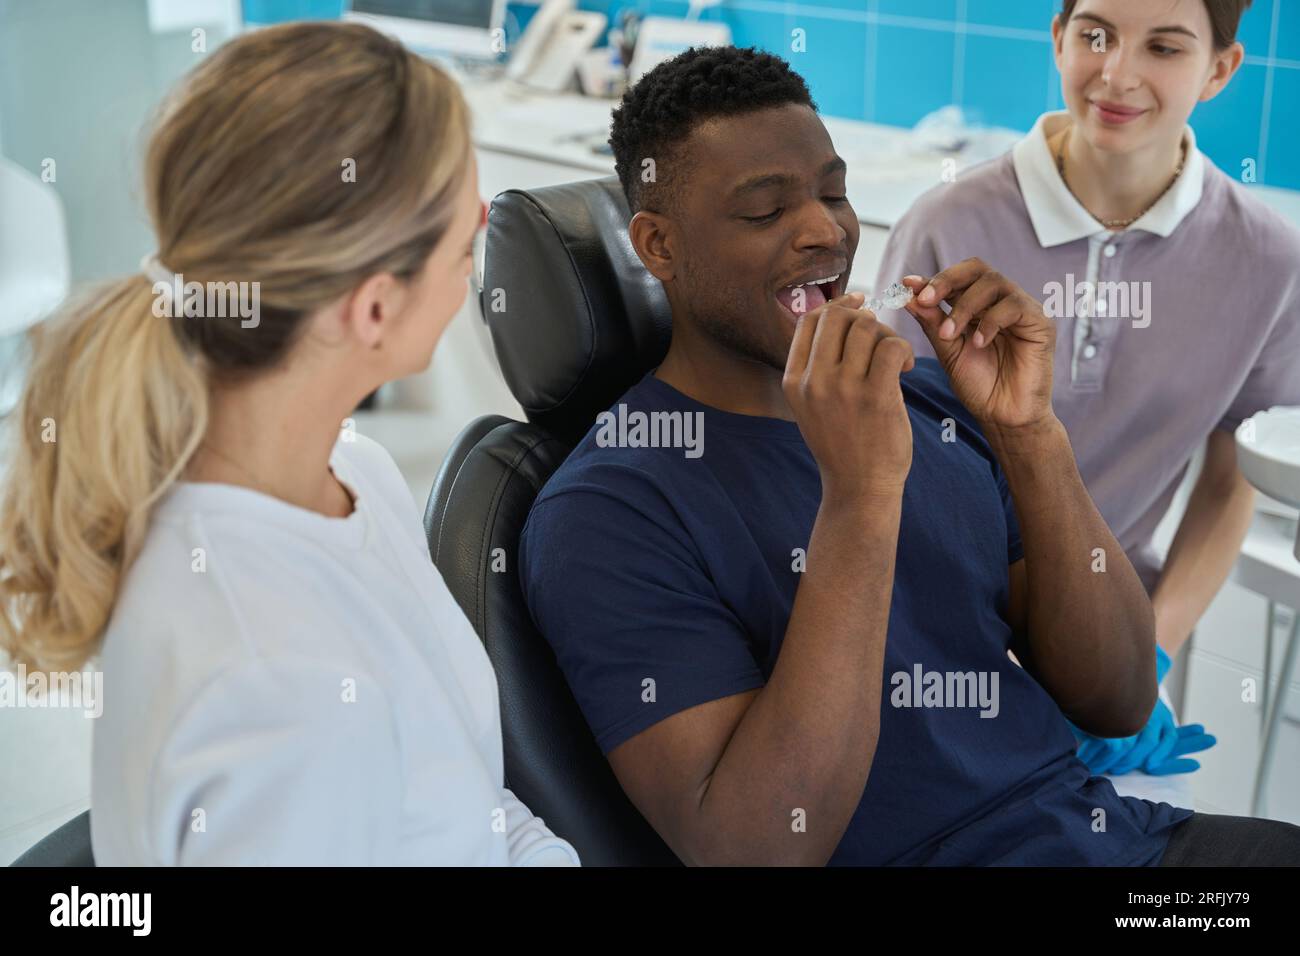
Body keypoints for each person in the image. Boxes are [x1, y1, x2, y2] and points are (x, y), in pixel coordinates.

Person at [518, 44, 1300, 865]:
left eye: (834, 193)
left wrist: (1030, 435)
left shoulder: (930, 405)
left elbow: (1119, 696)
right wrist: (860, 496)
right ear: (660, 245)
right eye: (763, 211)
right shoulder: (609, 512)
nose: (824, 229)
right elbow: (756, 849)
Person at [0, 22, 577, 867]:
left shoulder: (355, 474)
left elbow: (466, 796)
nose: (485, 215)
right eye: (463, 204)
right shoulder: (275, 682)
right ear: (375, 308)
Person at [875, 0, 1300, 775]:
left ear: (1220, 69)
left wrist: (1153, 657)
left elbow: (1230, 472)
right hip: (931, 636)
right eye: (1095, 35)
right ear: (1058, 38)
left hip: (1110, 628)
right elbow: (886, 456)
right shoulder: (948, 221)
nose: (1117, 73)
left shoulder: (1268, 261)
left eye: (1164, 47)